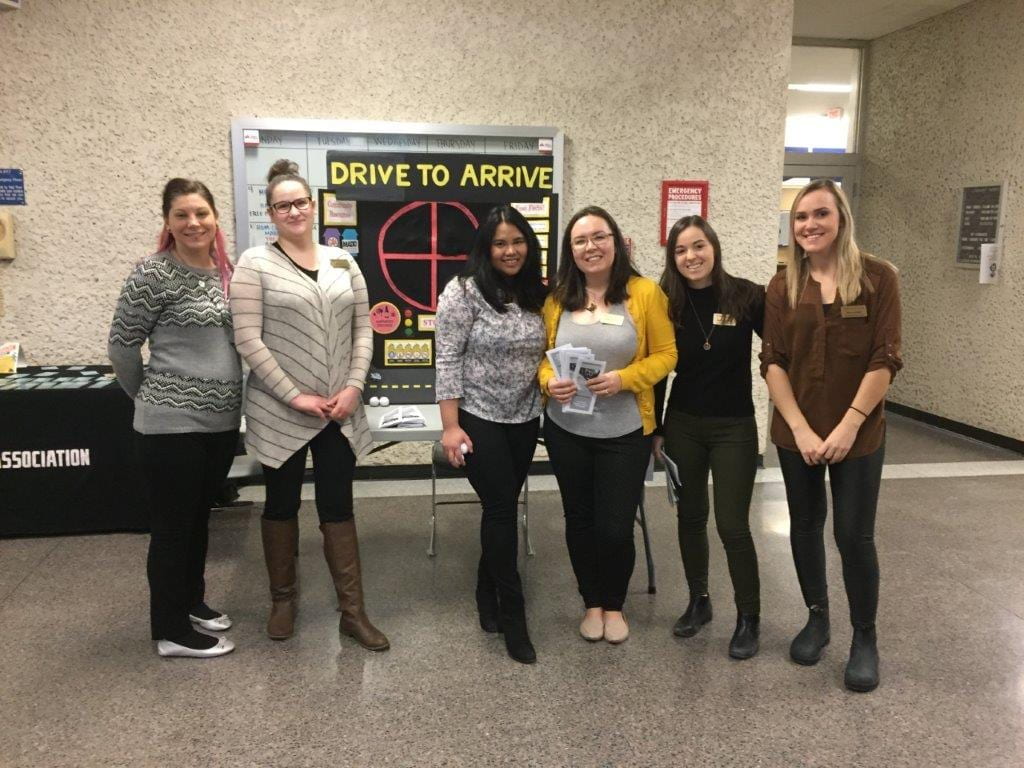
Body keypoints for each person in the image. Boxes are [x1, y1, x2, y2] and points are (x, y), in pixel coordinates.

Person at [230, 159, 388, 651]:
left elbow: (364, 328)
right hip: (280, 412)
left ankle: (353, 613)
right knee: (281, 504)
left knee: (338, 506)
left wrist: (354, 386)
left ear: (313, 206)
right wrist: (294, 395)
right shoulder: (254, 264)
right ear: (271, 213)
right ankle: (283, 601)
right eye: (283, 205)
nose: (294, 211)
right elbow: (247, 338)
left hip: (339, 410)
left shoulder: (343, 261)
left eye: (300, 202)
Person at [761, 178, 902, 692]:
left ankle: (864, 637)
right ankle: (817, 618)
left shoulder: (879, 279)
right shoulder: (783, 285)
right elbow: (773, 361)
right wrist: (800, 428)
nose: (810, 225)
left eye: (821, 213)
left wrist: (848, 425)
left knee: (852, 534)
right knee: (804, 525)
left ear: (841, 218)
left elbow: (886, 359)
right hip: (795, 431)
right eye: (801, 217)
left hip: (858, 434)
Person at [108, 178, 241, 659]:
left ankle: (191, 601)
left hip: (220, 425)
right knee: (172, 529)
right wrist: (151, 396)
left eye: (201, 213)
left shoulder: (226, 271)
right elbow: (122, 347)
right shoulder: (153, 274)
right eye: (182, 214)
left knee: (199, 519)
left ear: (215, 218)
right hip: (170, 426)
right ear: (167, 221)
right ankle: (170, 631)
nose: (193, 223)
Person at [539, 206, 677, 644]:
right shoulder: (558, 298)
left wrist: (624, 379)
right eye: (580, 241)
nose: (590, 247)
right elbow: (542, 358)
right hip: (566, 430)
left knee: (615, 526)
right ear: (570, 251)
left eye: (599, 237)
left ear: (616, 242)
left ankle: (615, 604)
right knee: (579, 520)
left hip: (624, 432)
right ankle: (592, 603)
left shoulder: (645, 292)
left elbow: (667, 355)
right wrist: (549, 382)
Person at [435, 204, 547, 664]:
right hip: (478, 415)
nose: (510, 250)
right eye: (500, 243)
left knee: (501, 507)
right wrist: (450, 426)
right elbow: (446, 358)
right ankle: (514, 616)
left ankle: (486, 591)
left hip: (525, 415)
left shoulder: (538, 293)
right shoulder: (462, 291)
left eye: (517, 241)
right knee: (501, 509)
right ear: (486, 247)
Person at [652, 215, 765, 659]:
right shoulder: (666, 302)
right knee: (690, 516)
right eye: (680, 250)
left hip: (734, 426)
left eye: (698, 246)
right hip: (683, 424)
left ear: (713, 246)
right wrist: (656, 429)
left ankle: (749, 616)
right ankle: (699, 601)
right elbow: (658, 367)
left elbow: (782, 348)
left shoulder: (747, 296)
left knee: (732, 525)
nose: (691, 256)